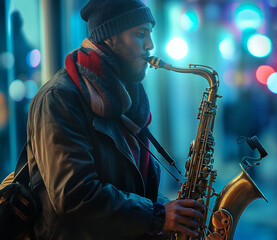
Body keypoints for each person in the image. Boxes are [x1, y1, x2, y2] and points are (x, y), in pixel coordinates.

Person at [26, 0, 203, 239]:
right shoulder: (59, 98)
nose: (150, 45)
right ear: (109, 37)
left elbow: (131, 188)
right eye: (140, 34)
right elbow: (74, 195)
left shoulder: (126, 95)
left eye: (150, 34)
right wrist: (157, 216)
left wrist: (175, 212)